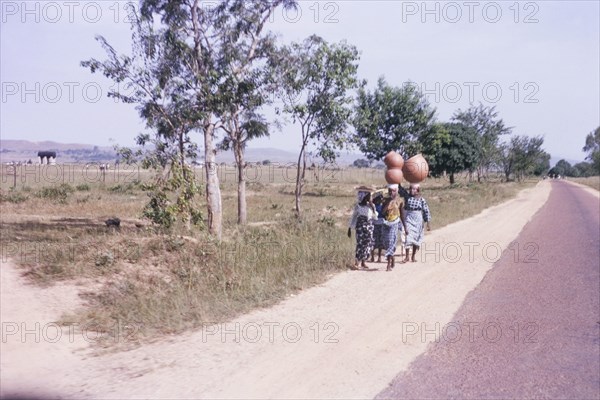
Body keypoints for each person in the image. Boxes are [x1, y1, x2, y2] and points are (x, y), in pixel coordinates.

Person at [380, 184, 408, 271]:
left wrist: (405, 227)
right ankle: (392, 257)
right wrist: (388, 203)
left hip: (395, 223)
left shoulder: (400, 201)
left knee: (391, 241)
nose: (392, 192)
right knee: (386, 243)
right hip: (385, 223)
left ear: (397, 191)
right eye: (390, 191)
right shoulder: (385, 200)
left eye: (394, 191)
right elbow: (382, 213)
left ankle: (388, 265)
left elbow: (402, 215)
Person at [348, 191, 377, 269]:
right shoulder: (358, 206)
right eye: (369, 196)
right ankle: (357, 262)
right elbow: (353, 217)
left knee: (368, 244)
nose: (370, 198)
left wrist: (373, 208)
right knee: (360, 244)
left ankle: (363, 262)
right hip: (360, 227)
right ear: (364, 197)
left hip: (370, 227)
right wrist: (350, 228)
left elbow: (375, 217)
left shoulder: (371, 206)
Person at [403, 183, 432, 262]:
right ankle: (406, 257)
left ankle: (413, 256)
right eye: (411, 189)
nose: (412, 190)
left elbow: (426, 211)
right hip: (409, 218)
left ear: (418, 190)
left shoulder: (421, 199)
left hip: (418, 220)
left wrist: (428, 224)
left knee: (416, 238)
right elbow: (401, 190)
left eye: (414, 189)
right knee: (408, 237)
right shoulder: (407, 197)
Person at [370, 192, 385, 263]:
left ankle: (376, 257)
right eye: (381, 198)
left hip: (377, 224)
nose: (382, 200)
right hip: (377, 224)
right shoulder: (374, 206)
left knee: (376, 241)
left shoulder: (379, 206)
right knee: (376, 241)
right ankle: (375, 257)